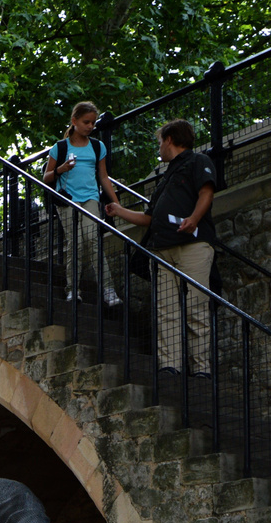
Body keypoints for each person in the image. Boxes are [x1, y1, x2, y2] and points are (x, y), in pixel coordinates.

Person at [104, 119, 216, 376]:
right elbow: (150, 218)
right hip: (161, 250)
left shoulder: (199, 162)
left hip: (193, 245)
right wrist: (120, 211)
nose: (159, 148)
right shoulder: (165, 178)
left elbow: (207, 192)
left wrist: (194, 219)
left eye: (159, 142)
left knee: (196, 307)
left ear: (169, 139)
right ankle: (169, 367)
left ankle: (201, 369)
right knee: (166, 310)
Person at [42, 101, 120, 305]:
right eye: (86, 122)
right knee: (75, 243)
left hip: (91, 198)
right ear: (74, 121)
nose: (90, 126)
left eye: (93, 123)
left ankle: (108, 289)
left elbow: (103, 177)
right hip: (67, 200)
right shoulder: (60, 147)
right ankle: (72, 289)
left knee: (93, 240)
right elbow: (46, 177)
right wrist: (62, 169)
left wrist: (116, 202)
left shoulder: (97, 146)